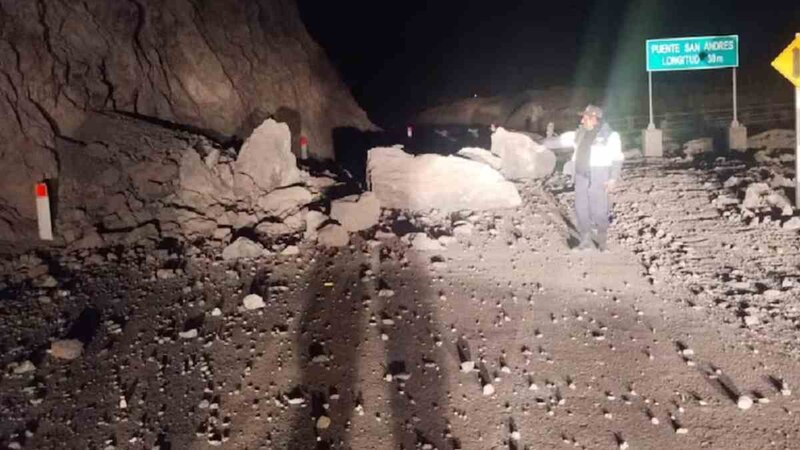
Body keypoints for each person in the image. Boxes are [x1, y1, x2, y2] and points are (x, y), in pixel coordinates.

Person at [561, 105, 624, 251]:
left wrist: (613, 178)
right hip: (580, 175)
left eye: (585, 117)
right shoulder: (580, 133)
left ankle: (602, 241)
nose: (582, 120)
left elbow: (617, 157)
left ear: (594, 119)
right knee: (581, 208)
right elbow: (567, 145)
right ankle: (585, 241)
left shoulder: (610, 135)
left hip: (599, 175)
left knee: (599, 211)